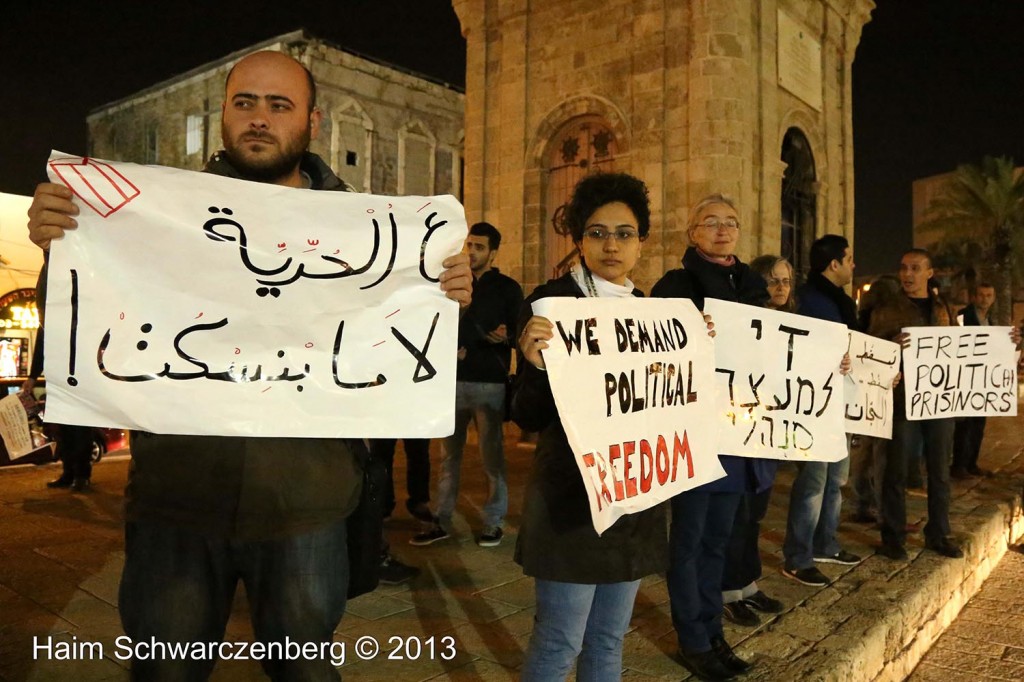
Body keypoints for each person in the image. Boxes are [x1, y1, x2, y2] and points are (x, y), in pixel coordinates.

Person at [26, 50, 472, 680]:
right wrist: (61, 251)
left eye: (279, 105)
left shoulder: (370, 233)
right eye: (245, 103)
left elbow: (401, 341)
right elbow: (85, 323)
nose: (259, 119)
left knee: (303, 671)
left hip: (306, 511)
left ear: (313, 122)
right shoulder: (153, 217)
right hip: (175, 507)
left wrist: (443, 289)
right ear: (225, 116)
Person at [513, 173, 671, 681]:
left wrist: (693, 354)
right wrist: (533, 365)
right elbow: (528, 415)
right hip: (572, 504)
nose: (611, 245)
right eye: (597, 233)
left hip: (633, 499)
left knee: (608, 640)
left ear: (641, 242)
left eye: (624, 233)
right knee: (560, 641)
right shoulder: (552, 303)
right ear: (579, 240)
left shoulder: (654, 313)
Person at [652, 193, 770, 681]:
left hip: (740, 433)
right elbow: (656, 354)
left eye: (731, 223)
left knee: (720, 539)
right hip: (696, 433)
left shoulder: (753, 285)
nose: (722, 231)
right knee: (690, 540)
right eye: (711, 223)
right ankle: (694, 639)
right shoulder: (674, 286)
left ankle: (713, 630)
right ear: (692, 233)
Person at [413, 222, 523, 547]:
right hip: (453, 383)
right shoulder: (451, 284)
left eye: (479, 247)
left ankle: (493, 522)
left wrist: (507, 336)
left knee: (492, 457)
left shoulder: (506, 287)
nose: (472, 252)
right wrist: (462, 342)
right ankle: (441, 520)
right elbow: (437, 325)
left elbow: (519, 331)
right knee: (449, 458)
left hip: (490, 384)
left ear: (493, 252)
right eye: (469, 245)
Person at [868, 248, 960, 561]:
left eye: (915, 268)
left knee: (939, 471)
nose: (907, 274)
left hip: (938, 402)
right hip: (901, 400)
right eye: (904, 268)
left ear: (929, 273)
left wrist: (1006, 342)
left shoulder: (944, 307)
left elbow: (964, 347)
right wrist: (891, 346)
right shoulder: (887, 309)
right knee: (894, 470)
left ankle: (939, 533)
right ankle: (892, 537)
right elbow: (871, 350)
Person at [780, 235, 861, 588]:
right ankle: (798, 558)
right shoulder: (813, 302)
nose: (853, 266)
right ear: (834, 264)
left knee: (836, 480)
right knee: (813, 482)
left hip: (838, 405)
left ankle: (826, 543)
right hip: (816, 407)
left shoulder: (839, 302)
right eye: (849, 259)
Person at [716, 255, 789, 626]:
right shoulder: (743, 320)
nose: (779, 287)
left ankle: (748, 584)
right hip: (741, 432)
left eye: (785, 280)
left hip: (768, 439)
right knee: (737, 514)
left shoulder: (796, 328)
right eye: (772, 279)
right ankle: (728, 590)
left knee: (754, 514)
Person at [950, 282, 996, 479]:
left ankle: (971, 463)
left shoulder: (991, 322)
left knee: (978, 423)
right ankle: (958, 465)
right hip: (964, 377)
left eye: (988, 295)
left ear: (993, 298)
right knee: (963, 424)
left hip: (982, 380)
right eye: (981, 295)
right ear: (974, 297)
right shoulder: (962, 316)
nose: (984, 299)